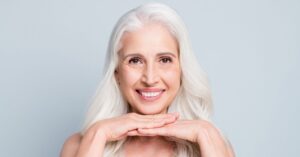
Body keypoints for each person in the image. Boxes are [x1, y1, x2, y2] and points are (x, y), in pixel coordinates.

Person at [60, 3, 235, 157]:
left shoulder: (213, 144)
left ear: (182, 70)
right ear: (116, 74)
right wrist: (98, 133)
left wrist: (206, 133)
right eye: (135, 61)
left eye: (165, 60)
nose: (150, 79)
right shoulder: (79, 146)